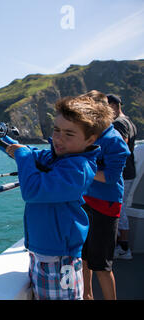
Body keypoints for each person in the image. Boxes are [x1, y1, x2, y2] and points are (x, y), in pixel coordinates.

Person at [0, 94, 114, 300]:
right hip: (43, 253)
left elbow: (32, 190)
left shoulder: (78, 168)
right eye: (56, 130)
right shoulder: (57, 157)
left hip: (59, 259)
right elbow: (23, 150)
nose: (59, 139)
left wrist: (23, 155)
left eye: (69, 134)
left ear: (90, 139)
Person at [79, 91, 130, 300]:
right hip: (85, 201)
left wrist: (82, 168)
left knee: (102, 265)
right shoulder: (89, 136)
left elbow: (110, 176)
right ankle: (87, 296)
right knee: (83, 258)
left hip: (105, 206)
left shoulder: (115, 141)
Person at [107, 94, 137, 260]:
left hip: (123, 173)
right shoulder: (130, 121)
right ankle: (121, 243)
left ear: (113, 105)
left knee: (120, 208)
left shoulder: (119, 123)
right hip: (130, 171)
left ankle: (124, 247)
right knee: (121, 206)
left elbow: (121, 145)